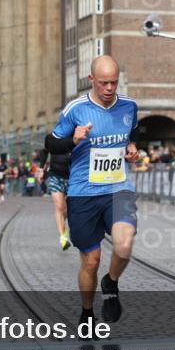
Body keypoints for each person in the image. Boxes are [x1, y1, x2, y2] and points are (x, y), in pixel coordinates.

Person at [45, 55, 139, 326]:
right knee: (91, 261)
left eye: (114, 83)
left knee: (123, 247)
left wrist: (132, 147)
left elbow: (133, 132)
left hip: (119, 189)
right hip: (83, 192)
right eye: (103, 83)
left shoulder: (130, 106)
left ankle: (110, 283)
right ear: (91, 80)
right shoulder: (76, 109)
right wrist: (72, 140)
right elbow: (50, 143)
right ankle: (87, 314)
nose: (110, 89)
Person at [46, 149, 73, 250]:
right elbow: (45, 151)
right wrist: (41, 168)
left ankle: (63, 229)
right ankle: (63, 238)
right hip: (55, 176)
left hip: (71, 177)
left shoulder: (77, 137)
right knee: (59, 207)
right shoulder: (54, 139)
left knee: (66, 210)